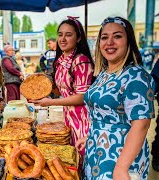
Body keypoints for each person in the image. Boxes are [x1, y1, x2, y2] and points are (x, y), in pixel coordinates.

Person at [76, 17, 155, 179]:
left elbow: (141, 124)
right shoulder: (104, 73)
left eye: (117, 36)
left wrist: (121, 167)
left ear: (129, 41)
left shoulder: (136, 76)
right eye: (104, 37)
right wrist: (92, 135)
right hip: (96, 151)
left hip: (120, 157)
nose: (109, 42)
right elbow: (105, 114)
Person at [30, 17, 94, 159]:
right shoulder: (61, 60)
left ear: (78, 38)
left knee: (80, 157)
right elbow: (62, 90)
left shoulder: (81, 61)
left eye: (68, 35)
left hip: (82, 118)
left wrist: (50, 102)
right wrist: (42, 87)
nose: (63, 39)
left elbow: (82, 96)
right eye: (60, 34)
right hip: (68, 117)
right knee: (69, 157)